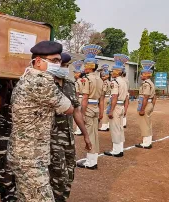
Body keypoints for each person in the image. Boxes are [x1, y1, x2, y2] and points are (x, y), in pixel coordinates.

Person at [7, 41, 74, 202]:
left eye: (59, 61)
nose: (58, 65)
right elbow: (69, 108)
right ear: (38, 61)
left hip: (24, 153)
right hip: (31, 158)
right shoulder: (41, 82)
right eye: (54, 61)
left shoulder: (26, 77)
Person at [49, 53, 92, 202]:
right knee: (57, 175)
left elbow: (77, 111)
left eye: (67, 66)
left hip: (68, 137)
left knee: (69, 173)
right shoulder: (46, 84)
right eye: (62, 65)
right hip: (51, 138)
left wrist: (85, 134)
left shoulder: (69, 84)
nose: (65, 69)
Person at [76, 44, 104, 170]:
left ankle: (91, 161)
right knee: (94, 134)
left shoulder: (86, 79)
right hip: (96, 107)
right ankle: (92, 159)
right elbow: (102, 98)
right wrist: (102, 111)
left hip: (88, 108)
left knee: (89, 134)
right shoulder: (100, 80)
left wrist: (81, 113)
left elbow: (85, 97)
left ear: (88, 67)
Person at [104, 54, 129, 157]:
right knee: (120, 128)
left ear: (118, 72)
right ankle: (120, 149)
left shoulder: (115, 82)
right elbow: (126, 97)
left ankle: (116, 151)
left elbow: (114, 96)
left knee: (115, 129)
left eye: (113, 71)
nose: (112, 72)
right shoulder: (124, 81)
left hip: (116, 107)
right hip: (121, 106)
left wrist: (111, 110)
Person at [135, 60, 156, 149]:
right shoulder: (151, 83)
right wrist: (152, 106)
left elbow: (145, 97)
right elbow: (154, 97)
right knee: (148, 123)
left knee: (144, 124)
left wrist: (142, 109)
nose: (140, 76)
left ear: (146, 75)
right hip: (150, 104)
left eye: (142, 74)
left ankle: (146, 143)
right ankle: (148, 141)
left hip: (146, 104)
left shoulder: (146, 84)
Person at [73, 60, 84, 136]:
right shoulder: (84, 80)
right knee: (83, 114)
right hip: (84, 98)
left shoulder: (77, 82)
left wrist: (75, 101)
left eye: (75, 73)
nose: (74, 75)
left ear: (79, 73)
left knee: (79, 114)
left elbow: (77, 92)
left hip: (79, 98)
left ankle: (79, 130)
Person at [99, 64, 111, 131]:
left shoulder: (105, 83)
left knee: (104, 111)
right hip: (109, 97)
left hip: (105, 98)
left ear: (107, 76)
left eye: (104, 76)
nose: (102, 77)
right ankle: (107, 125)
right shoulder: (110, 82)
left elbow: (103, 92)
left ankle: (104, 126)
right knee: (107, 111)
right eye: (102, 76)